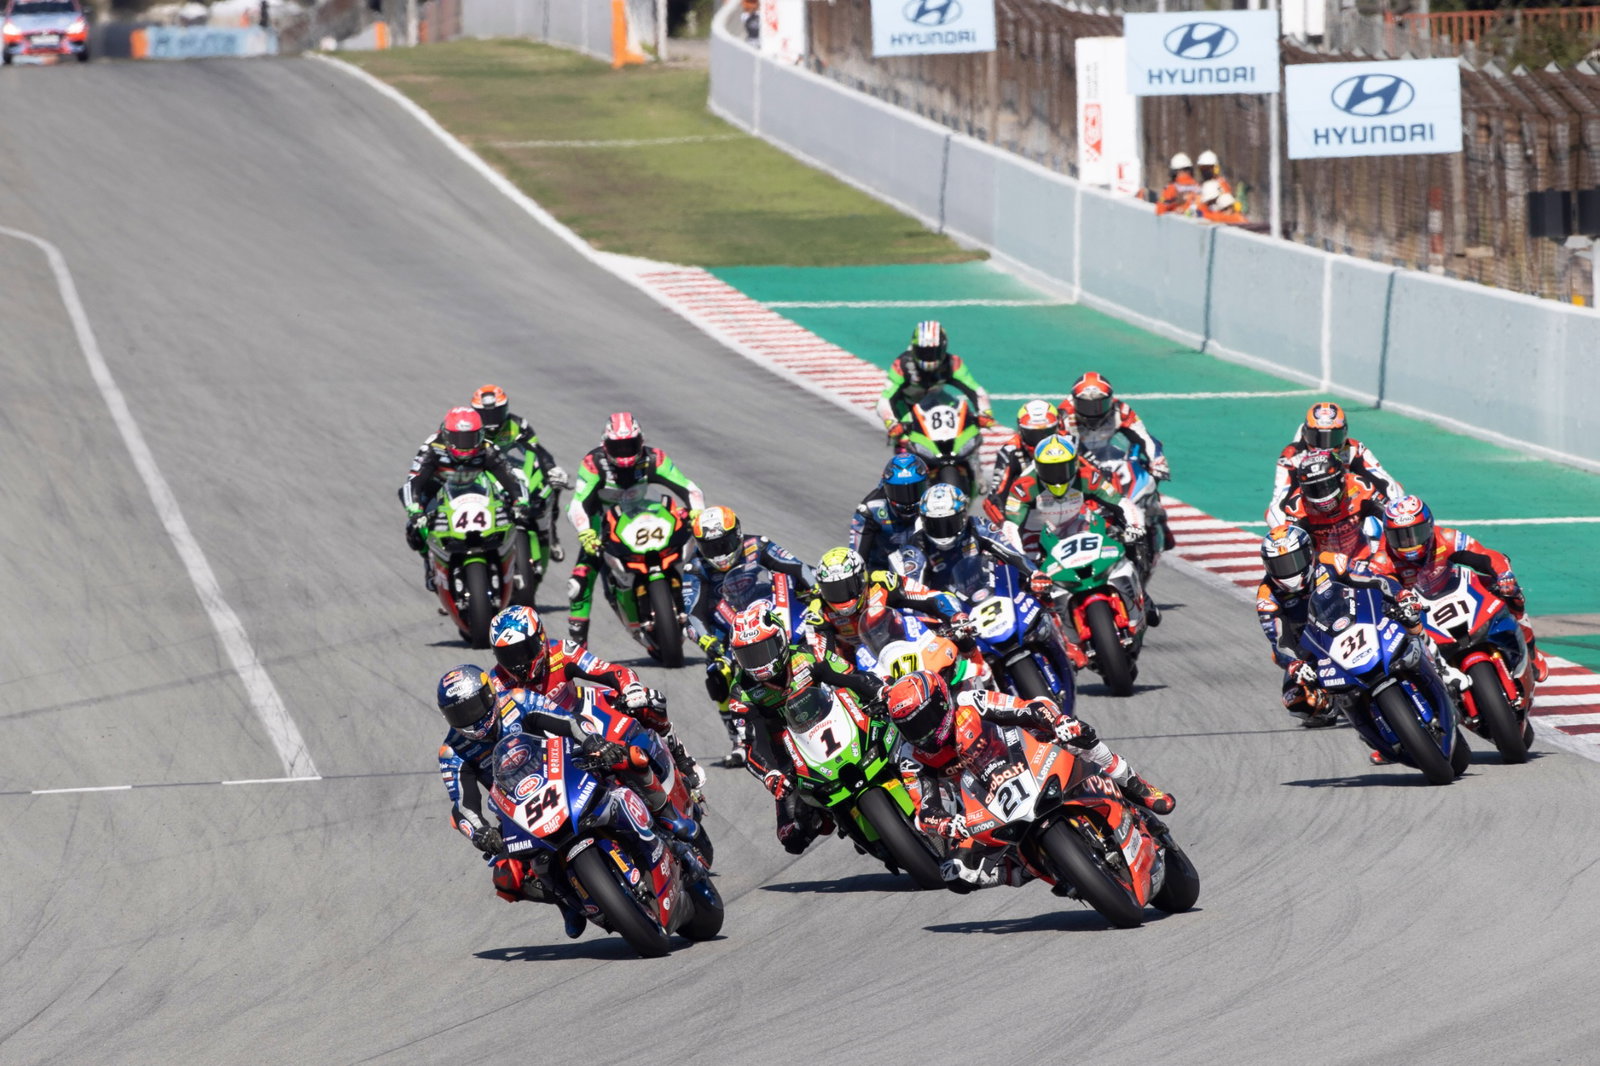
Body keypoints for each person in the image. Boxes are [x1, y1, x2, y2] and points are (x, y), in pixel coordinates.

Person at [880, 670, 1174, 889]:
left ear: (942, 703)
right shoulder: (911, 756)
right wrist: (947, 823)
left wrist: (1058, 722)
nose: (923, 732)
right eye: (911, 727)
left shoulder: (970, 702)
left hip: (1023, 760)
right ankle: (1035, 870)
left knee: (1075, 733)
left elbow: (1025, 709)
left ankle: (1134, 783)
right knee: (957, 875)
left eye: (925, 718)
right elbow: (924, 811)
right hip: (981, 809)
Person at [435, 664, 592, 939]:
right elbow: (462, 807)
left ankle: (661, 815)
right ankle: (566, 901)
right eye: (458, 714)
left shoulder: (518, 701)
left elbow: (568, 721)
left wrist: (592, 742)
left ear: (489, 695)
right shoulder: (452, 751)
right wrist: (481, 832)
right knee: (506, 878)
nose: (469, 718)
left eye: (472, 707)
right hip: (517, 810)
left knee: (623, 763)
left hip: (564, 773)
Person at [724, 600, 885, 854]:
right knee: (792, 838)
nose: (758, 662)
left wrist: (878, 693)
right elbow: (750, 743)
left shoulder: (810, 654)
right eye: (749, 656)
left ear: (779, 641)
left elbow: (850, 677)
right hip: (792, 757)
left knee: (898, 717)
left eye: (763, 650)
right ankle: (836, 815)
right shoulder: (741, 693)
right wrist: (771, 774)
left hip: (841, 722)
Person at [485, 604, 703, 787]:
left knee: (648, 701)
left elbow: (611, 671)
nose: (518, 663)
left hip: (584, 711)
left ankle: (680, 756)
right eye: (508, 656)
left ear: (541, 639)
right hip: (544, 745)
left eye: (523, 651)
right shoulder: (496, 683)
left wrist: (630, 688)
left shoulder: (562, 652)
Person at [682, 505, 816, 767]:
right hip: (730, 632)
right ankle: (740, 739)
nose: (720, 553)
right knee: (717, 674)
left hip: (773, 612)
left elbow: (798, 568)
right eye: (712, 547)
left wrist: (816, 593)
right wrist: (708, 641)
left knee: (825, 628)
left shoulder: (759, 545)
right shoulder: (695, 568)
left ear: (738, 534)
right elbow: (693, 614)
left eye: (724, 543)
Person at [1368, 495, 1549, 684]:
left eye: (1415, 533)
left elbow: (1485, 555)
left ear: (1429, 526)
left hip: (1453, 589)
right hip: (1418, 610)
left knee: (1512, 592)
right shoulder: (1382, 558)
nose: (1409, 543)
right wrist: (1397, 598)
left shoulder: (1446, 537)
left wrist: (1504, 575)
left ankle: (1531, 651)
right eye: (1400, 537)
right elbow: (1378, 588)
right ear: (1387, 535)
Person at [1254, 524, 1416, 733]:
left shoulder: (1331, 561)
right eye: (1279, 566)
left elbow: (1373, 578)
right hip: (1314, 648)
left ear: (1307, 553)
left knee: (1409, 620)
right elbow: (1278, 641)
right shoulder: (1267, 596)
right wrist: (1295, 664)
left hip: (1358, 622)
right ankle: (1337, 702)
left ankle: (1427, 664)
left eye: (1292, 562)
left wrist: (1399, 595)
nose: (1287, 571)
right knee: (1296, 700)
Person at [565, 412, 704, 643]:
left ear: (641, 442)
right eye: (617, 447)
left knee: (701, 554)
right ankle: (578, 651)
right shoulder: (593, 463)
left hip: (648, 517)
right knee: (579, 582)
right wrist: (586, 533)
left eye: (630, 445)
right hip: (603, 525)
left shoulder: (654, 458)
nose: (625, 453)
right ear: (605, 445)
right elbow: (577, 504)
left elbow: (690, 489)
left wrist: (697, 512)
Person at [401, 406, 530, 591]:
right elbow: (414, 480)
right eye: (458, 439)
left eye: (471, 439)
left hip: (475, 486)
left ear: (481, 435)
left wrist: (520, 502)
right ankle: (429, 564)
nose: (465, 445)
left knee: (511, 511)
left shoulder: (487, 448)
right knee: (415, 529)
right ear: (446, 435)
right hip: (438, 487)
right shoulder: (432, 447)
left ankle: (511, 562)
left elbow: (510, 477)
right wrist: (415, 509)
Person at [991, 433, 1147, 558]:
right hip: (1038, 534)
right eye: (1049, 469)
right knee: (1027, 568)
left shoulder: (1089, 477)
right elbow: (1010, 526)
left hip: (1076, 527)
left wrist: (1135, 526)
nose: (1057, 476)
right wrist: (1020, 556)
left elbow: (1121, 502)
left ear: (1075, 464)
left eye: (1063, 468)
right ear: (1037, 467)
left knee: (1119, 550)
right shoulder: (1023, 486)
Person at [804, 546, 964, 664]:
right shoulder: (817, 611)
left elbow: (930, 596)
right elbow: (820, 657)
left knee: (959, 640)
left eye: (846, 587)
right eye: (832, 590)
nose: (840, 597)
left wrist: (954, 615)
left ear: (861, 579)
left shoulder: (884, 582)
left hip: (905, 643)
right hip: (863, 664)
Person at [471, 384, 573, 560]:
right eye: (485, 414)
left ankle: (551, 533)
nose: (491, 420)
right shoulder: (471, 430)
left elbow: (536, 450)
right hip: (483, 468)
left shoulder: (517, 425)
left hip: (510, 465)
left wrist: (551, 468)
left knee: (553, 486)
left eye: (495, 413)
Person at [1267, 401, 1402, 525]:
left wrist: (1395, 517)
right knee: (1274, 517)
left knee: (1396, 492)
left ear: (1344, 434)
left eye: (1333, 438)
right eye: (1317, 438)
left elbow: (1388, 485)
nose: (1325, 447)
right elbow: (1278, 506)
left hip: (1347, 510)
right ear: (1305, 434)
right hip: (1312, 516)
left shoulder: (1353, 449)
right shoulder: (1291, 458)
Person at [874, 321, 997, 440]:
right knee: (906, 440)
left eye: (934, 352)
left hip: (936, 400)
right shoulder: (901, 365)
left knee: (968, 433)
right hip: (906, 405)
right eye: (924, 352)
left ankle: (971, 459)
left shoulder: (953, 363)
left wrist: (985, 413)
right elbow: (884, 399)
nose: (929, 357)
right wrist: (891, 422)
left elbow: (976, 390)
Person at [1275, 449, 1388, 559]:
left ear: (1342, 478)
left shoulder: (1361, 487)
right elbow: (1291, 550)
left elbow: (1391, 514)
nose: (1322, 494)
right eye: (1313, 489)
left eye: (1328, 485)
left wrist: (1381, 551)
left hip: (1361, 555)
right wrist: (1326, 560)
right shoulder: (1296, 507)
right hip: (1324, 563)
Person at [1060, 372, 1169, 479]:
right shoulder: (1063, 415)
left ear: (1111, 400)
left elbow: (1144, 438)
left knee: (1146, 468)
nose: (1093, 412)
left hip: (1107, 455)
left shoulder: (1122, 410)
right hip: (1075, 459)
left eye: (1100, 405)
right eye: (1085, 406)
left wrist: (1157, 461)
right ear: (1074, 401)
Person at [851, 454, 931, 571]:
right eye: (899, 493)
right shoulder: (869, 509)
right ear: (886, 488)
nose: (907, 500)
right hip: (882, 572)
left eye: (915, 490)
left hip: (927, 568)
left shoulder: (934, 503)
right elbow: (857, 557)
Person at [988, 400, 1063, 500]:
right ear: (1020, 431)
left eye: (1047, 434)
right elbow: (995, 497)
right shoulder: (1009, 452)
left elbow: (1090, 478)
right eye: (1033, 435)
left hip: (1069, 505)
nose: (1040, 442)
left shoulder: (1071, 443)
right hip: (1028, 510)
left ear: (1058, 427)